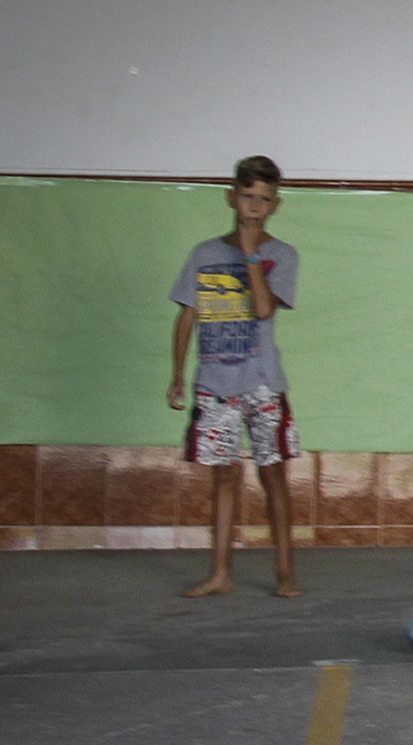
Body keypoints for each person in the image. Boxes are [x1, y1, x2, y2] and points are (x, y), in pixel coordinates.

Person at [168, 155, 302, 599]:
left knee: (272, 475)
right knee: (223, 477)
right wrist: (177, 376)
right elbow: (188, 316)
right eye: (247, 197)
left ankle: (285, 571)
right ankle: (220, 572)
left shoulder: (282, 255)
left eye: (264, 199)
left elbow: (263, 309)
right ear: (231, 198)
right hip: (215, 385)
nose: (254, 207)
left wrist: (250, 254)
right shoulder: (204, 254)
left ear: (276, 205)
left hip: (264, 384)